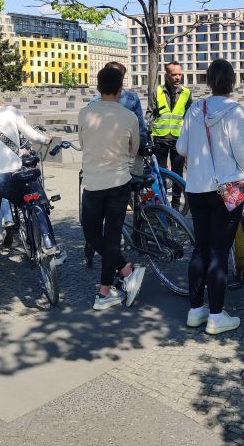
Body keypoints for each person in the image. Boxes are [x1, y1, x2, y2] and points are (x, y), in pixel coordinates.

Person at [177, 59, 244, 335]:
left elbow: (181, 146)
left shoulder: (195, 107)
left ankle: (195, 310)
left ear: (208, 80)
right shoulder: (235, 109)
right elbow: (240, 152)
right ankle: (216, 315)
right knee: (218, 252)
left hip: (197, 187)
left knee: (200, 248)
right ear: (233, 81)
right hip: (226, 189)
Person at [0, 79, 54, 300]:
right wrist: (46, 139)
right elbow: (34, 136)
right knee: (34, 202)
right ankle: (47, 241)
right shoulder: (10, 112)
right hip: (11, 177)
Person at [79, 66, 146, 311]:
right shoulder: (129, 117)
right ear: (120, 88)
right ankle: (127, 272)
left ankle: (104, 291)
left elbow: (83, 143)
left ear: (98, 87)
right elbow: (134, 148)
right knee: (111, 237)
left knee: (92, 233)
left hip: (93, 182)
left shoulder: (85, 114)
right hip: (119, 182)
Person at [151, 61, 192, 208]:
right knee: (160, 174)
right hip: (160, 138)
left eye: (180, 74)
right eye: (174, 74)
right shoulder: (158, 91)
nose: (178, 77)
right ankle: (162, 205)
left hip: (178, 139)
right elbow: (150, 113)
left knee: (177, 175)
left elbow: (189, 117)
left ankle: (175, 207)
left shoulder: (186, 93)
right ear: (167, 75)